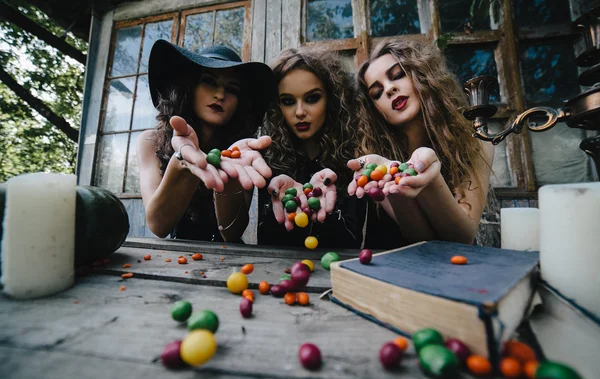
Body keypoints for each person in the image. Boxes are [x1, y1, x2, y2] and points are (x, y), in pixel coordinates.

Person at [349, 38, 495, 249]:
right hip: (387, 272)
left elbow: (463, 237)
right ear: (375, 111)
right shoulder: (373, 156)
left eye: (398, 75)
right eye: (377, 93)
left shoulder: (476, 142)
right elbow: (419, 237)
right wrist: (395, 182)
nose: (389, 89)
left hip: (456, 271)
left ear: (422, 75)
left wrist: (431, 179)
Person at [137, 40, 277, 242]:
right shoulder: (151, 141)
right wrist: (183, 161)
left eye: (233, 89)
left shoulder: (242, 153)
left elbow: (232, 233)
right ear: (190, 86)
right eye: (209, 81)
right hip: (176, 261)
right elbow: (159, 226)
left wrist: (228, 182)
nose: (220, 95)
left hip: (228, 264)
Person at [256, 47, 366, 248]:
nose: (299, 112)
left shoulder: (355, 158)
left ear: (331, 99)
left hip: (336, 274)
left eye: (312, 98)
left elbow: (353, 238)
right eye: (288, 101)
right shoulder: (265, 160)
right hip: (273, 274)